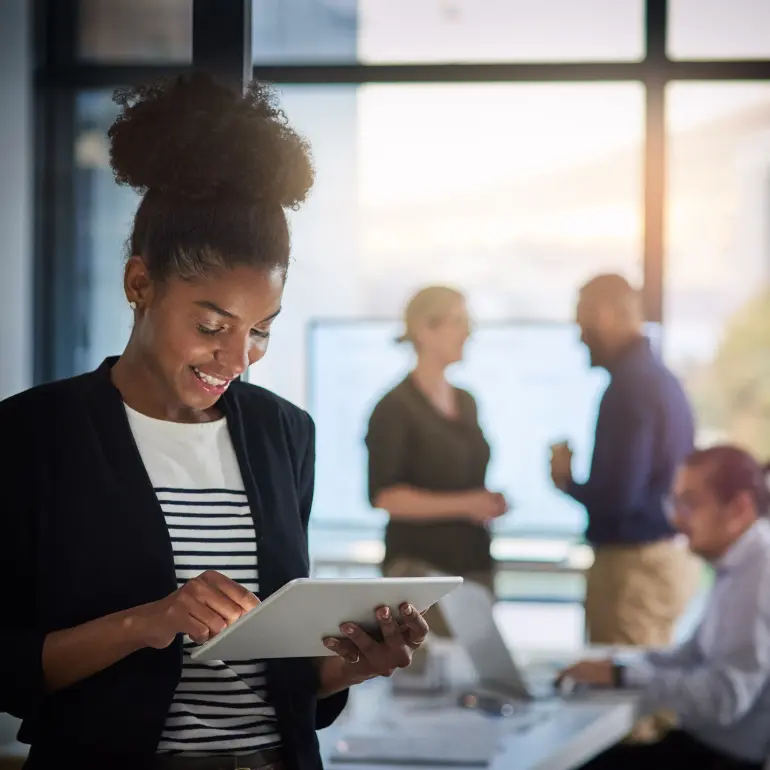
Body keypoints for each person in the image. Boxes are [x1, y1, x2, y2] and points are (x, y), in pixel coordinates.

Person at [0, 73, 429, 770]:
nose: (238, 357)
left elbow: (286, 681)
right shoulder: (34, 436)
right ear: (140, 285)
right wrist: (151, 621)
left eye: (261, 330)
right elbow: (9, 666)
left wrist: (353, 662)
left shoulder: (284, 433)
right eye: (211, 325)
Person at [558, 446, 770, 770]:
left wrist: (623, 675)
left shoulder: (757, 575)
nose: (675, 518)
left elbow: (724, 698)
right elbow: (691, 655)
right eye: (674, 502)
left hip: (724, 759)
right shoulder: (738, 563)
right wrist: (618, 666)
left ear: (739, 508)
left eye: (690, 503)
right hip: (703, 746)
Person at [550, 273, 698, 647]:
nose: (579, 338)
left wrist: (567, 480)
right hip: (663, 560)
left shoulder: (629, 388)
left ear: (604, 315)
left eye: (582, 324)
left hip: (631, 570)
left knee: (621, 693)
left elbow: (619, 498)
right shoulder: (663, 380)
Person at [365, 286, 508, 635]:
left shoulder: (466, 401)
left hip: (473, 566)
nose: (468, 332)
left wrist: (486, 502)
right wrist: (467, 504)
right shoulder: (393, 409)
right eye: (458, 321)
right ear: (424, 330)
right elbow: (387, 497)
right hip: (420, 573)